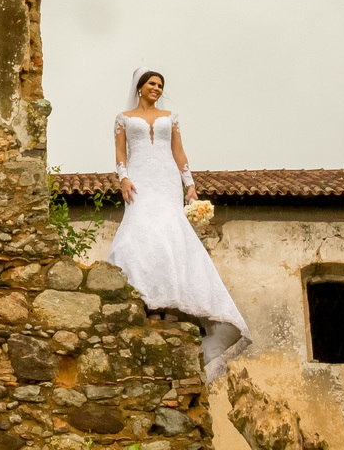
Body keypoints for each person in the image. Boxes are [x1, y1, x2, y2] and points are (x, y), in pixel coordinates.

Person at [107, 67, 251, 381]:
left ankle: (169, 304)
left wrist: (190, 185)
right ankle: (144, 298)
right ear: (140, 87)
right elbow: (120, 152)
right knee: (139, 233)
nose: (156, 88)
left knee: (169, 234)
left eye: (160, 85)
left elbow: (178, 151)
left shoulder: (170, 117)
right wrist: (124, 179)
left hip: (167, 180)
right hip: (140, 179)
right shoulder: (122, 118)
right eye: (152, 84)